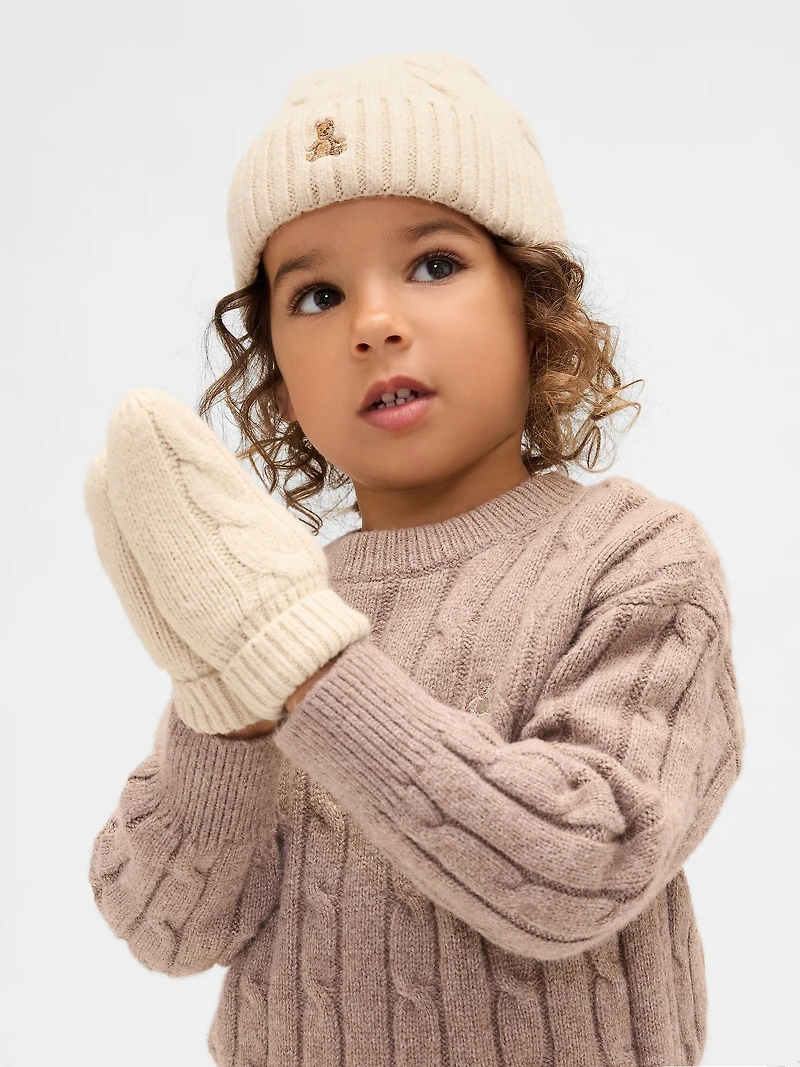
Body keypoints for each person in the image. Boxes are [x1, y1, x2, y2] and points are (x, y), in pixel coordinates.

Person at [85, 51, 745, 1067]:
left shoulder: (633, 556)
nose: (374, 324)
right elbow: (169, 924)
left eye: (433, 264)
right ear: (276, 375)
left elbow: (585, 862)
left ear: (530, 304)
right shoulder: (276, 604)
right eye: (313, 295)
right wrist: (216, 681)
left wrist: (301, 664)